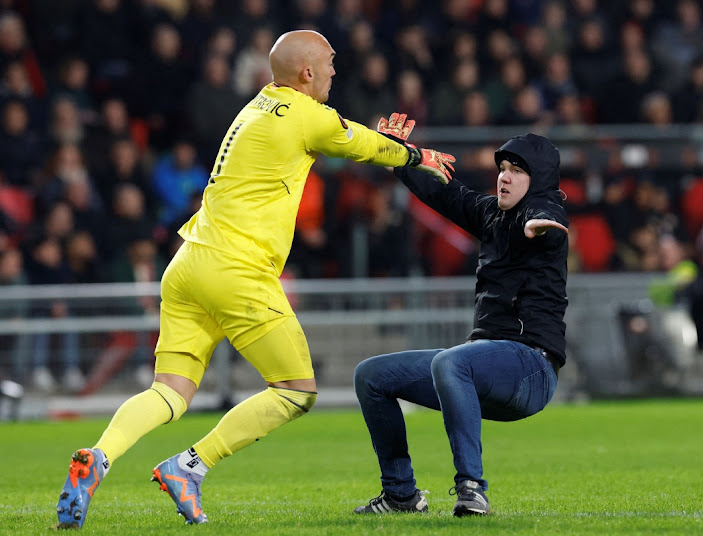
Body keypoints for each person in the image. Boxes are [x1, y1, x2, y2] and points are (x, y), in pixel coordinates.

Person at [55, 30, 453, 529]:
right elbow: (358, 145)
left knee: (169, 392)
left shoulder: (258, 105)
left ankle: (98, 458)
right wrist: (416, 155)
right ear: (307, 72)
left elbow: (351, 134)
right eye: (330, 63)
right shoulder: (307, 114)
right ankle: (189, 467)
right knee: (296, 391)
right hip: (236, 269)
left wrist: (382, 141)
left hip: (187, 263)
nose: (335, 71)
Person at [353, 117, 569, 517]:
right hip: (480, 367)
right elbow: (445, 192)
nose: (504, 177)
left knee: (451, 360)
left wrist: (544, 228)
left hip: (531, 370)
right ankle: (400, 494)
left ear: (537, 180)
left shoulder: (544, 210)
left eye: (517, 171)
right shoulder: (490, 214)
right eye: (502, 168)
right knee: (371, 376)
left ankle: (472, 488)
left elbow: (544, 219)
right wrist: (398, 159)